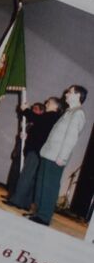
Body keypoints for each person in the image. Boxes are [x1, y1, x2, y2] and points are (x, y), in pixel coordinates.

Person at [30, 85, 88, 225]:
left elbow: (71, 138)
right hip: (49, 153)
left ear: (78, 96)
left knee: (50, 186)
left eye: (69, 92)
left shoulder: (78, 113)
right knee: (42, 184)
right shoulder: (69, 111)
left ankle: (44, 216)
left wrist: (62, 157)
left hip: (57, 156)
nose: (66, 94)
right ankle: (38, 212)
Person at [5, 97, 62, 210]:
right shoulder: (52, 117)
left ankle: (17, 200)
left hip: (36, 150)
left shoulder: (51, 115)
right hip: (39, 151)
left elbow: (36, 118)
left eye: (49, 102)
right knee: (31, 178)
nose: (46, 103)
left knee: (26, 176)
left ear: (56, 106)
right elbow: (39, 128)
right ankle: (25, 203)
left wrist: (25, 110)